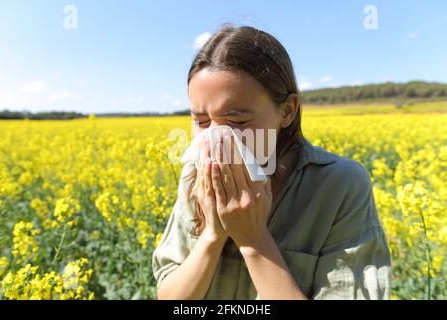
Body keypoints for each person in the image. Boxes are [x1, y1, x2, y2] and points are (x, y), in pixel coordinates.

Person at [152, 24, 391, 300]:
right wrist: (212, 236)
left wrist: (253, 240)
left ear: (287, 111)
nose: (216, 138)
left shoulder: (340, 185)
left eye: (237, 121)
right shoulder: (195, 175)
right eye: (201, 121)